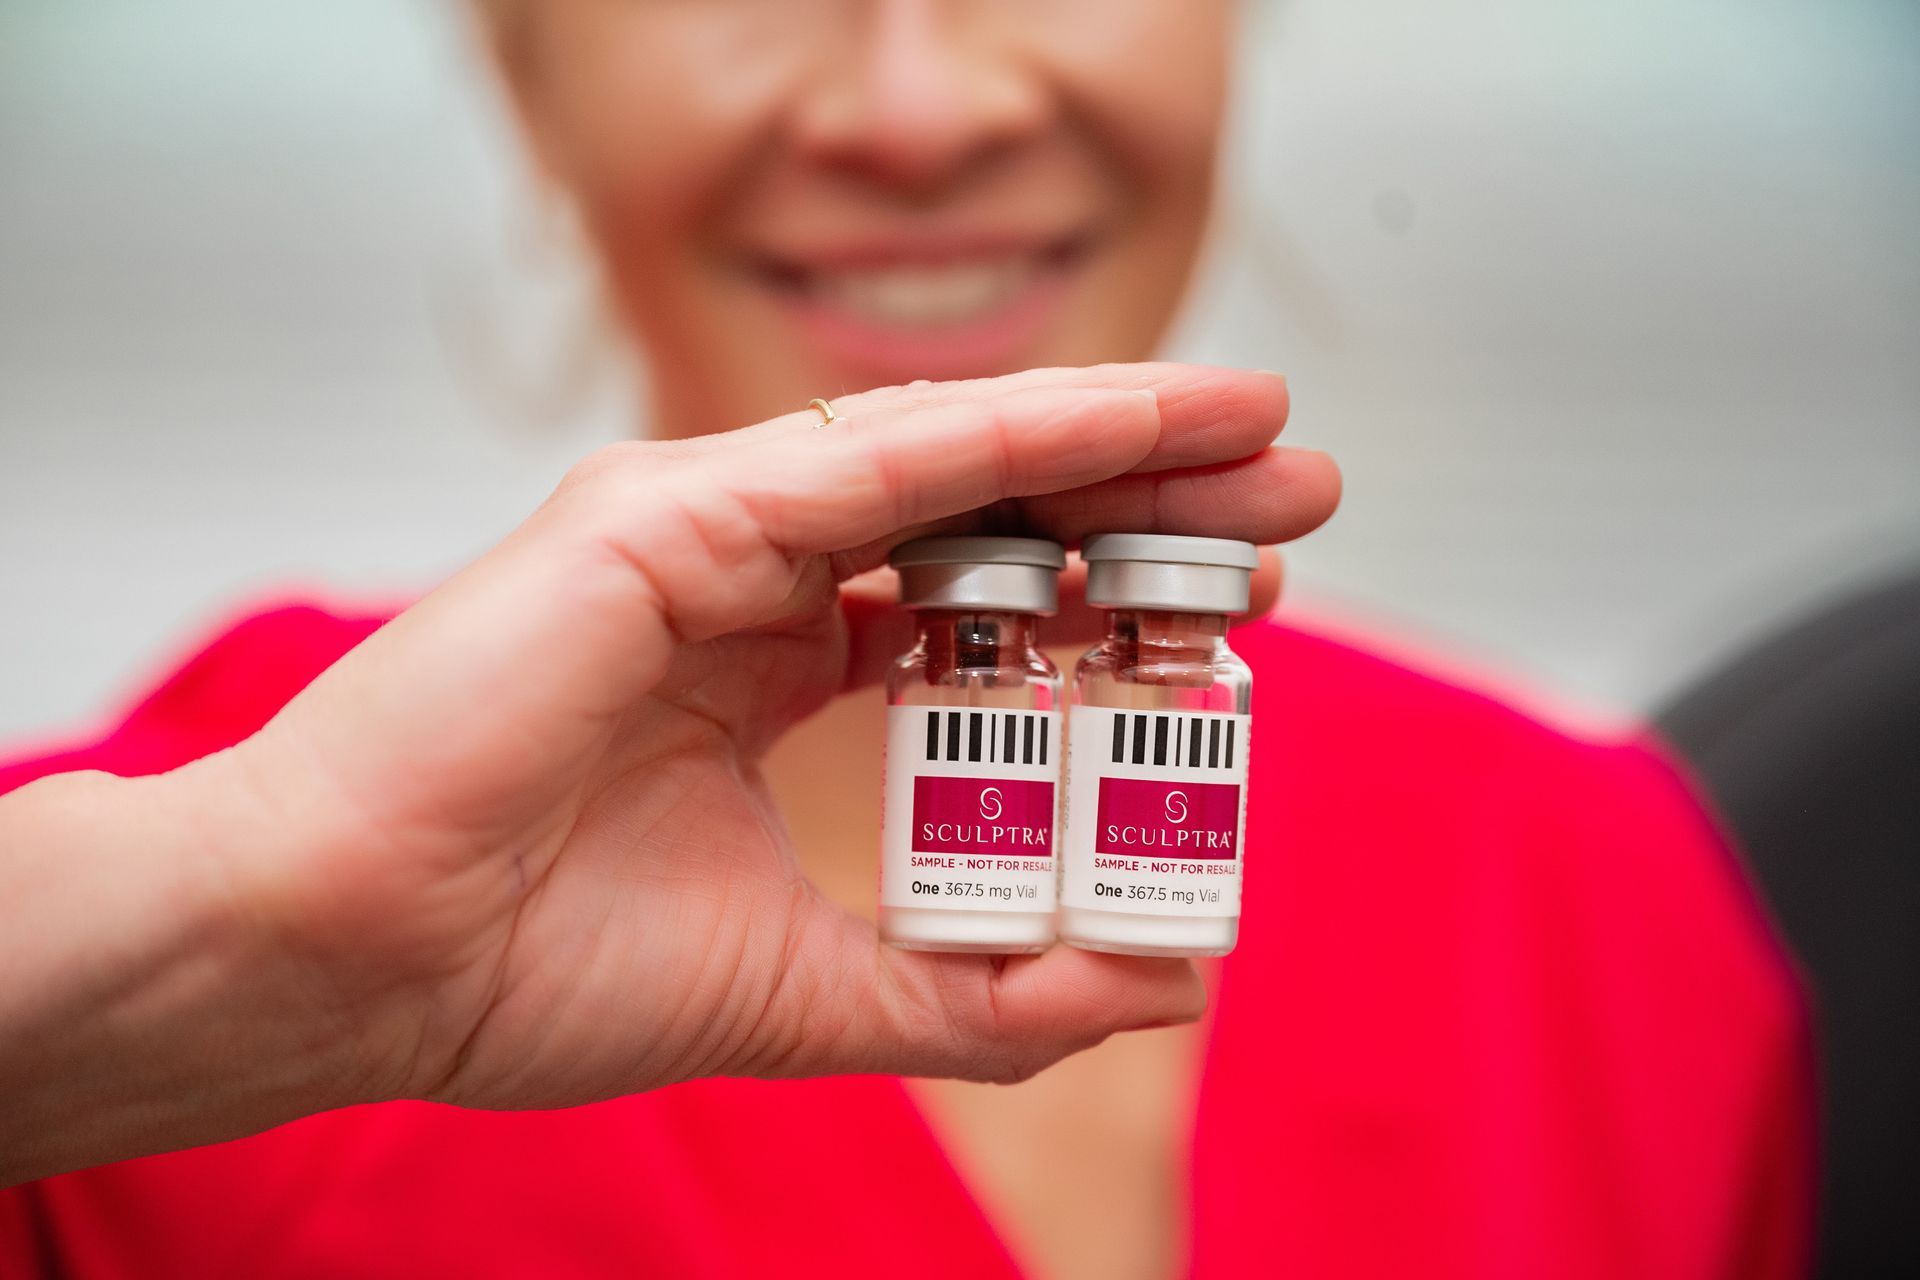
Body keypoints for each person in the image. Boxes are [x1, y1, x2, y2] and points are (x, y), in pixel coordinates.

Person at [0, 2, 1811, 1277]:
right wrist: (224, 943)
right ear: (521, 65)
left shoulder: (1595, 903)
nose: (921, 105)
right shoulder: (172, 887)